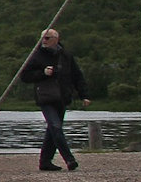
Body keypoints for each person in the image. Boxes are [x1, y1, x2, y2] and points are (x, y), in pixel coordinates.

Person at [18, 28, 89, 171]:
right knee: (55, 127)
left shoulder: (66, 56)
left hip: (62, 97)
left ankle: (45, 162)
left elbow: (77, 75)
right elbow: (24, 76)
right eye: (42, 38)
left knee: (53, 130)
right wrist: (42, 73)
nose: (43, 41)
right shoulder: (36, 55)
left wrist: (84, 95)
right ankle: (69, 159)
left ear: (56, 39)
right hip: (46, 97)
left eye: (47, 38)